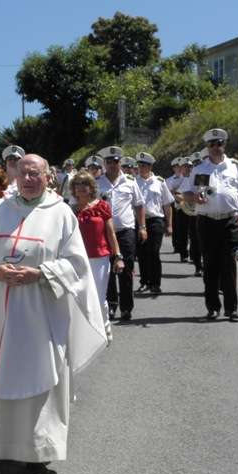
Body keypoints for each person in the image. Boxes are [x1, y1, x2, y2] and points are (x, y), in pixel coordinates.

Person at [0, 154, 107, 474]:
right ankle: (8, 445)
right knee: (0, 374)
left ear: (48, 177)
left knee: (41, 380)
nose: (28, 179)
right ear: (15, 176)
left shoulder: (62, 214)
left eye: (35, 173)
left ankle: (38, 453)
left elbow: (76, 264)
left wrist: (40, 274)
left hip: (41, 313)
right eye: (23, 173)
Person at [180, 129, 238, 321]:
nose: (215, 147)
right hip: (206, 221)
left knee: (229, 264)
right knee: (210, 264)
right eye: (211, 144)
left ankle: (231, 308)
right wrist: (194, 198)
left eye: (219, 143)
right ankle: (212, 307)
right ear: (207, 147)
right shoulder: (199, 169)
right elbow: (186, 193)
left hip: (229, 220)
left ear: (224, 144)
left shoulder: (235, 166)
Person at [70, 170, 124, 342]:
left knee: (98, 297)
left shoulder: (102, 206)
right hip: (76, 259)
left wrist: (118, 256)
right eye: (77, 184)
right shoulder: (69, 210)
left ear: (91, 187)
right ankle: (85, 333)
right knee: (79, 297)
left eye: (85, 184)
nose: (81, 187)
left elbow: (111, 233)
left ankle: (104, 328)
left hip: (99, 258)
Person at [96, 146, 146, 322]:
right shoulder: (97, 183)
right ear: (104, 163)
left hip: (125, 232)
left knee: (126, 269)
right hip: (103, 232)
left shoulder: (130, 182)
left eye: (115, 161)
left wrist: (142, 227)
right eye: (109, 162)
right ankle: (111, 305)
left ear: (120, 162)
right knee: (107, 270)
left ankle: (126, 308)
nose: (112, 164)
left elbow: (139, 205)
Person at [135, 152, 174, 295]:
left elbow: (167, 204)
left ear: (150, 166)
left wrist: (169, 225)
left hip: (155, 220)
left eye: (144, 165)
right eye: (139, 165)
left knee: (154, 252)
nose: (141, 168)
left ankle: (155, 284)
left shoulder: (159, 182)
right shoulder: (133, 182)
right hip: (138, 221)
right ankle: (144, 282)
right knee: (141, 253)